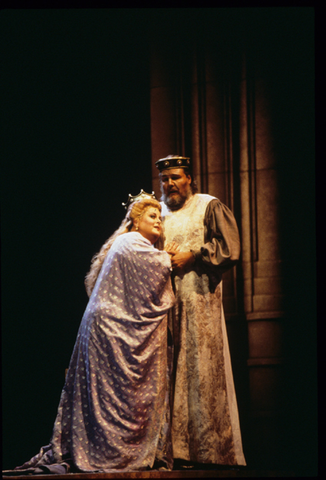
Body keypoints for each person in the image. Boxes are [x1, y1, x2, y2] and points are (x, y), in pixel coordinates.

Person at [8, 193, 179, 475]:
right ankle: (108, 451)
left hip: (108, 325)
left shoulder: (133, 243)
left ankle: (102, 447)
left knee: (108, 392)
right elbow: (156, 268)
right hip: (110, 327)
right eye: (152, 216)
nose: (158, 221)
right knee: (109, 394)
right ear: (136, 220)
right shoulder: (131, 241)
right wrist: (169, 258)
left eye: (159, 217)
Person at [155, 155, 246, 467]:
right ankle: (173, 450)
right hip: (165, 304)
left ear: (189, 178)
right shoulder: (158, 213)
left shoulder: (208, 205)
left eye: (176, 178)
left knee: (200, 368)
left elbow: (231, 247)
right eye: (165, 179)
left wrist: (192, 256)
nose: (170, 185)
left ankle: (207, 452)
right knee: (168, 370)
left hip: (200, 301)